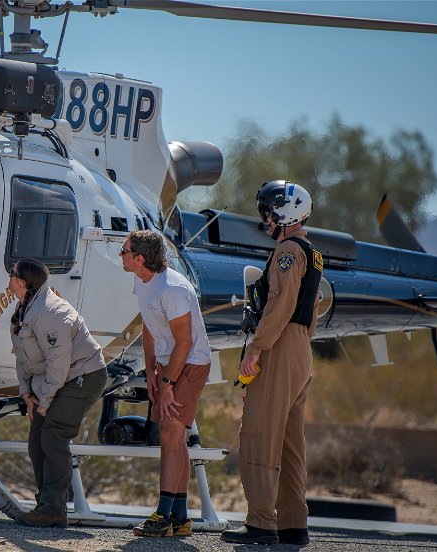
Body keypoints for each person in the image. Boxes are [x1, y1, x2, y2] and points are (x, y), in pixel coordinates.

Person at [221, 180, 322, 546]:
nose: (264, 216)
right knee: (291, 443)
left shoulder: (287, 251)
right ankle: (293, 524)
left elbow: (279, 305)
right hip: (300, 349)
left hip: (279, 345)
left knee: (260, 433)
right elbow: (311, 310)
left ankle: (262, 523)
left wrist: (256, 350)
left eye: (269, 209)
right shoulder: (310, 251)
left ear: (285, 211)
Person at [119, 230, 212, 538]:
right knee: (175, 439)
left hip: (190, 362)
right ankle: (179, 518)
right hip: (168, 362)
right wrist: (150, 369)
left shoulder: (172, 289)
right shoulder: (141, 281)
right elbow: (149, 324)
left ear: (139, 258)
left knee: (170, 435)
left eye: (124, 251)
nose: (120, 256)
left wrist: (169, 381)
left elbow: (185, 343)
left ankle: (162, 516)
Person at [9, 258, 108, 528]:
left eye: (12, 273)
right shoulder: (24, 310)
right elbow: (22, 356)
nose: (9, 277)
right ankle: (46, 505)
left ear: (20, 282)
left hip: (82, 376)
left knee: (53, 433)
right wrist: (26, 394)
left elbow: (59, 361)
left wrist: (46, 400)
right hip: (58, 379)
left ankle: (53, 510)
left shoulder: (51, 312)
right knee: (36, 438)